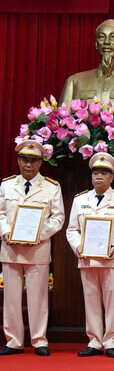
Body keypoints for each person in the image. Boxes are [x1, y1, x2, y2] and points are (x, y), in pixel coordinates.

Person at [66, 152, 114, 358]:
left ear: (112, 177)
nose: (99, 177)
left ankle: (112, 341)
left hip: (112, 259)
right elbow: (72, 229)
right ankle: (94, 341)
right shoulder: (80, 200)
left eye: (104, 173)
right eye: (95, 173)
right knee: (91, 300)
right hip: (87, 258)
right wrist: (78, 246)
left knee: (112, 301)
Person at [0, 140, 65, 356]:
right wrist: (5, 231)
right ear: (18, 161)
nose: (28, 165)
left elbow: (58, 218)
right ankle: (14, 341)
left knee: (38, 297)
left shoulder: (51, 187)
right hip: (10, 248)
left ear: (40, 163)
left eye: (33, 161)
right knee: (10, 298)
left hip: (37, 249)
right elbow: (0, 213)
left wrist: (40, 233)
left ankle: (39, 340)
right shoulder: (7, 185)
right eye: (24, 160)